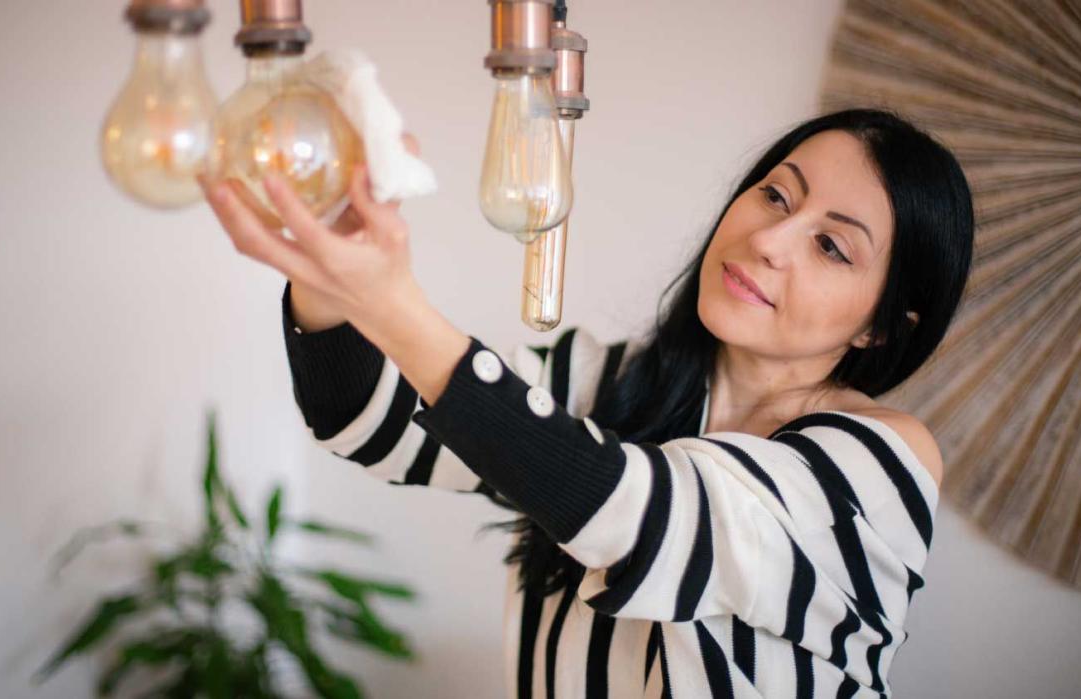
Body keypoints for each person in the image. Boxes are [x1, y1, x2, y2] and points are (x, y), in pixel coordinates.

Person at [199, 107, 975, 698]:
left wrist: (395, 304)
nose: (773, 239)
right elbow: (370, 424)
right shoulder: (603, 382)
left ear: (882, 323)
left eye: (832, 245)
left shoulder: (879, 462)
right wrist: (327, 273)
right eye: (776, 195)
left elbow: (638, 508)